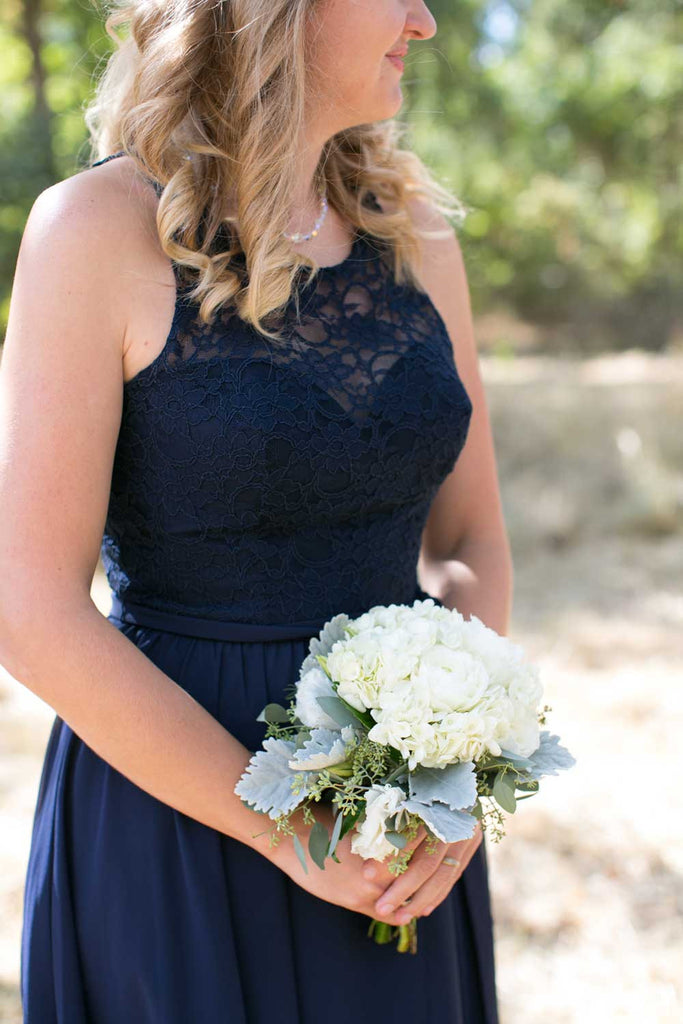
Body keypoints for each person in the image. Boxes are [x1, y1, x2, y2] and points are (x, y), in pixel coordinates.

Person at [0, 1, 513, 1021]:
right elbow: (25, 603)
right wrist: (288, 832)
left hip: (394, 831)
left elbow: (470, 539)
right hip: (177, 826)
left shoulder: (410, 234)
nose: (423, 23)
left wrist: (450, 762)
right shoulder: (94, 230)